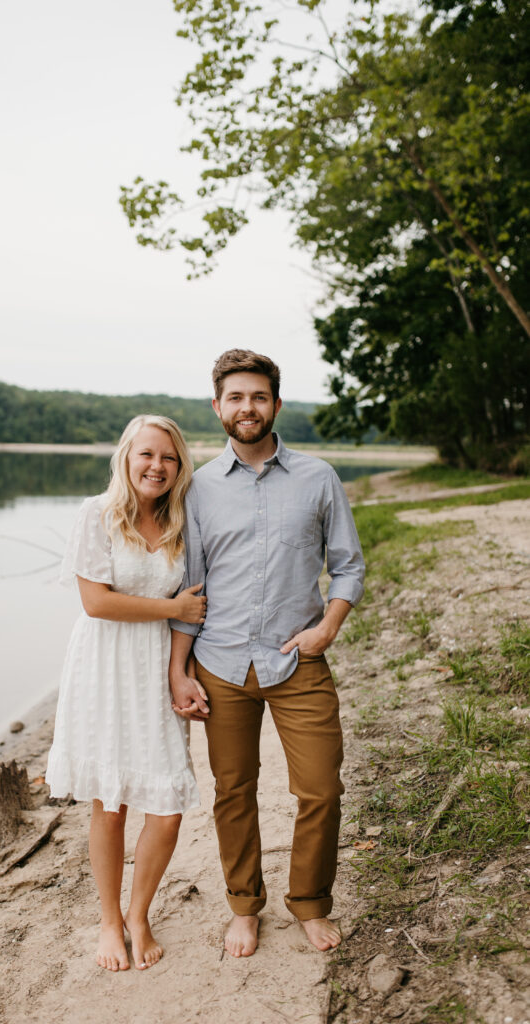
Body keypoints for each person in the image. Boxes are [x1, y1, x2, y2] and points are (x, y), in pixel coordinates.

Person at [169, 349, 365, 958]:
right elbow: (189, 589)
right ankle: (244, 906)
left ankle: (309, 902)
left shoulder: (318, 478)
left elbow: (349, 567)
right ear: (217, 407)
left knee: (321, 789)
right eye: (235, 398)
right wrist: (179, 671)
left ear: (276, 404)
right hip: (221, 664)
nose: (246, 408)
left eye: (258, 397)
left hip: (299, 660)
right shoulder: (196, 488)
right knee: (233, 790)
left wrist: (328, 628)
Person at [45, 415, 206, 973]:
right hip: (102, 667)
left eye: (168, 457)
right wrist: (172, 608)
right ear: (126, 457)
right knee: (109, 807)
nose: (156, 466)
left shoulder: (184, 519)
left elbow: (197, 602)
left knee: (165, 809)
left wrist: (179, 670)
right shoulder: (97, 513)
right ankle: (110, 922)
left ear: (179, 466)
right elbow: (97, 602)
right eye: (146, 455)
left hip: (153, 667)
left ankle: (141, 914)